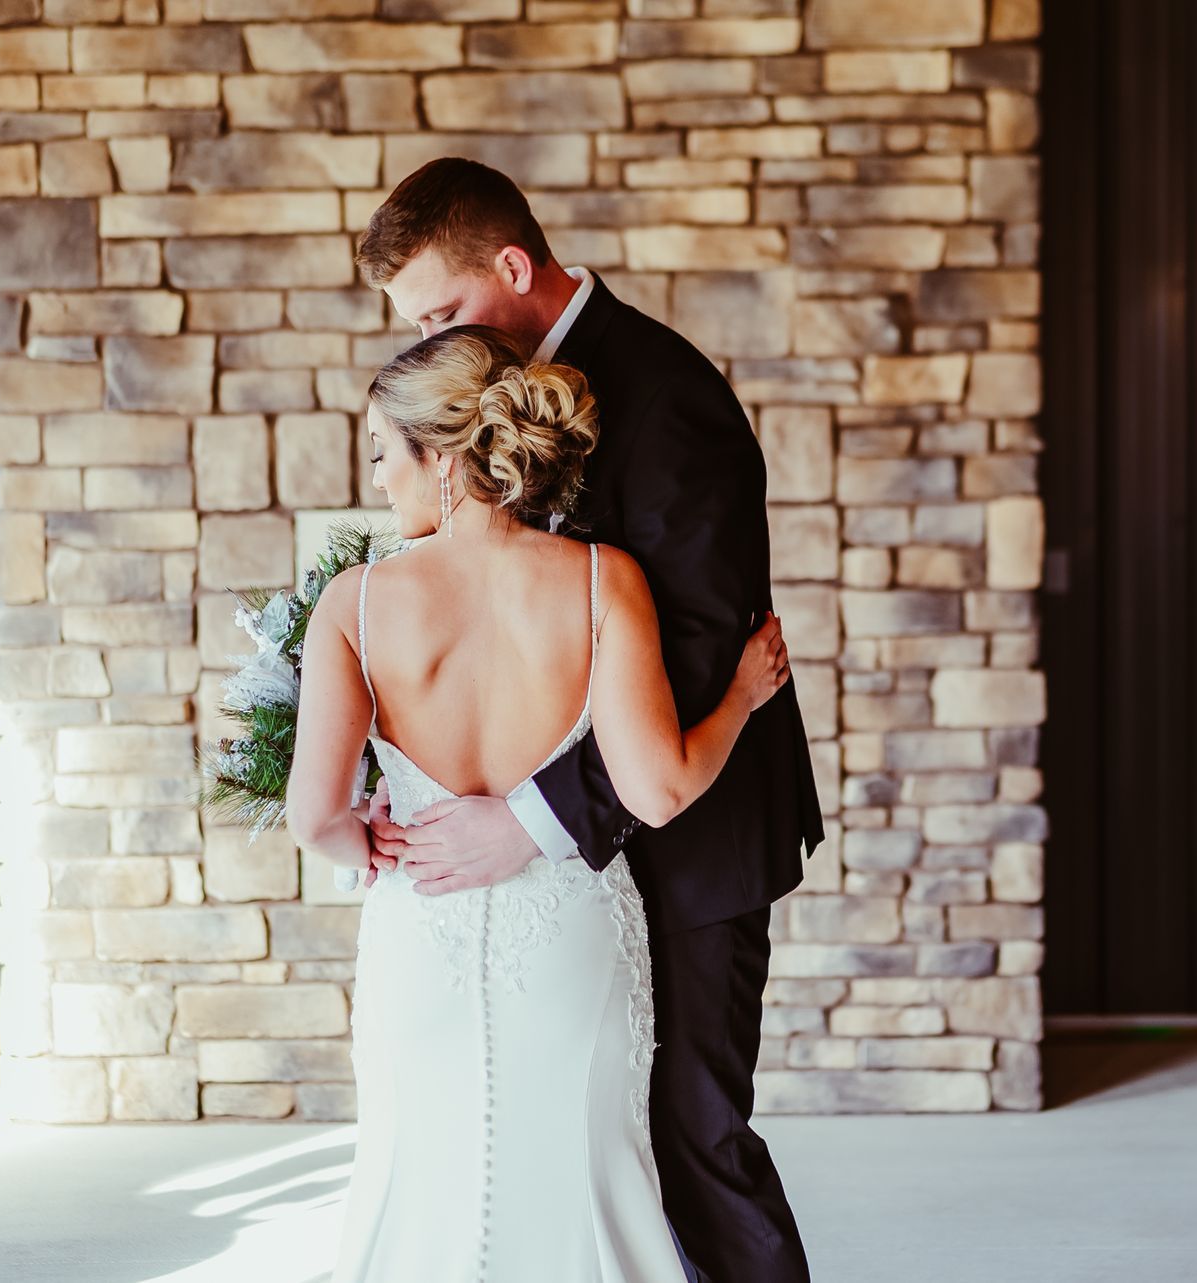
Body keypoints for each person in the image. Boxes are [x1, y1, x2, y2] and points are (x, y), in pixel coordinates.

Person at [353, 157, 826, 1282]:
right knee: (580, 1148)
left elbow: (706, 644)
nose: (434, 343)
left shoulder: (669, 398)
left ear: (514, 265)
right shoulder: (493, 401)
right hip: (571, 879)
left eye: (445, 312)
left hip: (689, 836)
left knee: (693, 1137)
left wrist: (531, 818)